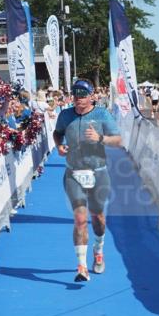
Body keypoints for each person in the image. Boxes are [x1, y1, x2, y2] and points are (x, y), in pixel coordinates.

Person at [53, 79, 122, 282]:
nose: (78, 99)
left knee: (98, 219)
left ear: (92, 96)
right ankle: (81, 266)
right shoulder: (65, 115)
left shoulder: (102, 114)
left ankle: (98, 248)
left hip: (98, 173)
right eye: (75, 95)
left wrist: (100, 138)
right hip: (73, 173)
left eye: (83, 95)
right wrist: (59, 146)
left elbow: (118, 140)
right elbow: (57, 133)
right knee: (80, 218)